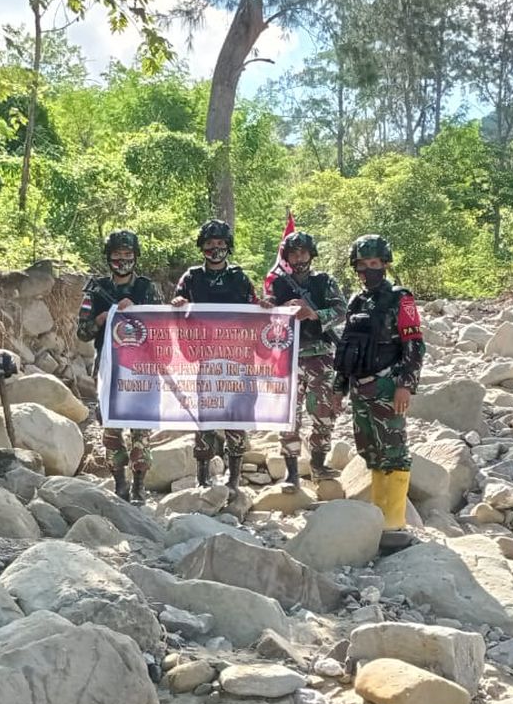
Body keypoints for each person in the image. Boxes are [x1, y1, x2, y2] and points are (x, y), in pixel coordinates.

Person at [333, 234, 425, 548]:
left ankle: (395, 524)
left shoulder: (402, 298)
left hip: (388, 384)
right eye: (362, 264)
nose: (368, 270)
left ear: (384, 264)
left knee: (395, 450)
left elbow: (415, 344)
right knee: (371, 450)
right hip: (360, 387)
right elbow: (347, 348)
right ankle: (378, 518)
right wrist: (338, 386)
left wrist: (405, 385)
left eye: (373, 264)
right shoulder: (356, 301)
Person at [171, 219, 271, 498]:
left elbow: (255, 308)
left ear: (228, 246)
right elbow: (176, 303)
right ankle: (201, 477)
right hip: (207, 358)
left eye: (220, 244)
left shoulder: (239, 277)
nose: (215, 249)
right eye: (209, 244)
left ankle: (234, 478)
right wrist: (178, 303)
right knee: (206, 415)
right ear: (202, 247)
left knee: (236, 416)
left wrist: (263, 307)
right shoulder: (191, 277)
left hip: (239, 358)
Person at [76, 229, 161, 504]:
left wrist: (137, 309)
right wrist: (100, 319)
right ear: (108, 257)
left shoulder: (147, 288)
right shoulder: (95, 289)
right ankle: (120, 484)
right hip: (108, 367)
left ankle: (139, 486)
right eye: (117, 255)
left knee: (141, 429)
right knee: (111, 429)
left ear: (136, 256)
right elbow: (82, 333)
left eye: (128, 254)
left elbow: (162, 327)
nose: (122, 260)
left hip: (141, 368)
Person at [265, 231, 348, 490]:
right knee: (288, 416)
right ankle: (291, 474)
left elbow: (341, 311)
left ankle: (319, 465)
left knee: (324, 413)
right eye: (293, 253)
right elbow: (264, 315)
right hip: (287, 357)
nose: (299, 257)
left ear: (311, 254)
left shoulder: (324, 281)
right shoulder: (277, 285)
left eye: (303, 252)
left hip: (320, 356)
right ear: (287, 257)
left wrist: (313, 313)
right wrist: (276, 307)